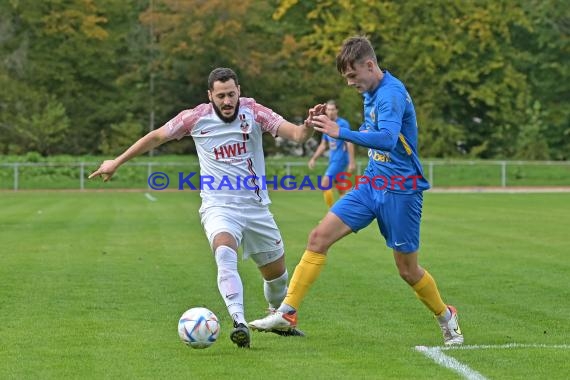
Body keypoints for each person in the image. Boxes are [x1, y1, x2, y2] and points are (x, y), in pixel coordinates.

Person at [249, 36, 464, 346]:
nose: (350, 83)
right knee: (318, 237)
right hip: (372, 184)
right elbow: (373, 134)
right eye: (346, 78)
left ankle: (446, 316)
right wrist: (322, 123)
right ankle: (287, 312)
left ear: (370, 65)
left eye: (353, 76)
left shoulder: (390, 95)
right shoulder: (371, 92)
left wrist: (342, 132)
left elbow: (389, 139)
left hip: (401, 191)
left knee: (407, 269)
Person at [89, 67, 322, 348]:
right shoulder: (195, 117)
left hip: (256, 208)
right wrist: (116, 161)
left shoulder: (255, 112)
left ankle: (278, 318)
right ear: (210, 95)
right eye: (221, 95)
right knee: (225, 252)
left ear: (240, 91)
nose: (227, 101)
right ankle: (238, 321)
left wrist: (308, 125)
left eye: (231, 94)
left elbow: (297, 135)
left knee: (277, 279)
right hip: (218, 206)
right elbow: (156, 137)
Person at [308, 100, 355, 208]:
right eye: (328, 109)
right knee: (342, 190)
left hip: (340, 160)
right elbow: (323, 145)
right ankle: (347, 213)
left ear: (337, 110)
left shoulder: (343, 123)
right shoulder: (326, 125)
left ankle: (331, 214)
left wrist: (352, 162)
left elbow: (349, 141)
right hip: (333, 160)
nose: (330, 112)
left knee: (325, 184)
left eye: (333, 109)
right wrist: (314, 158)